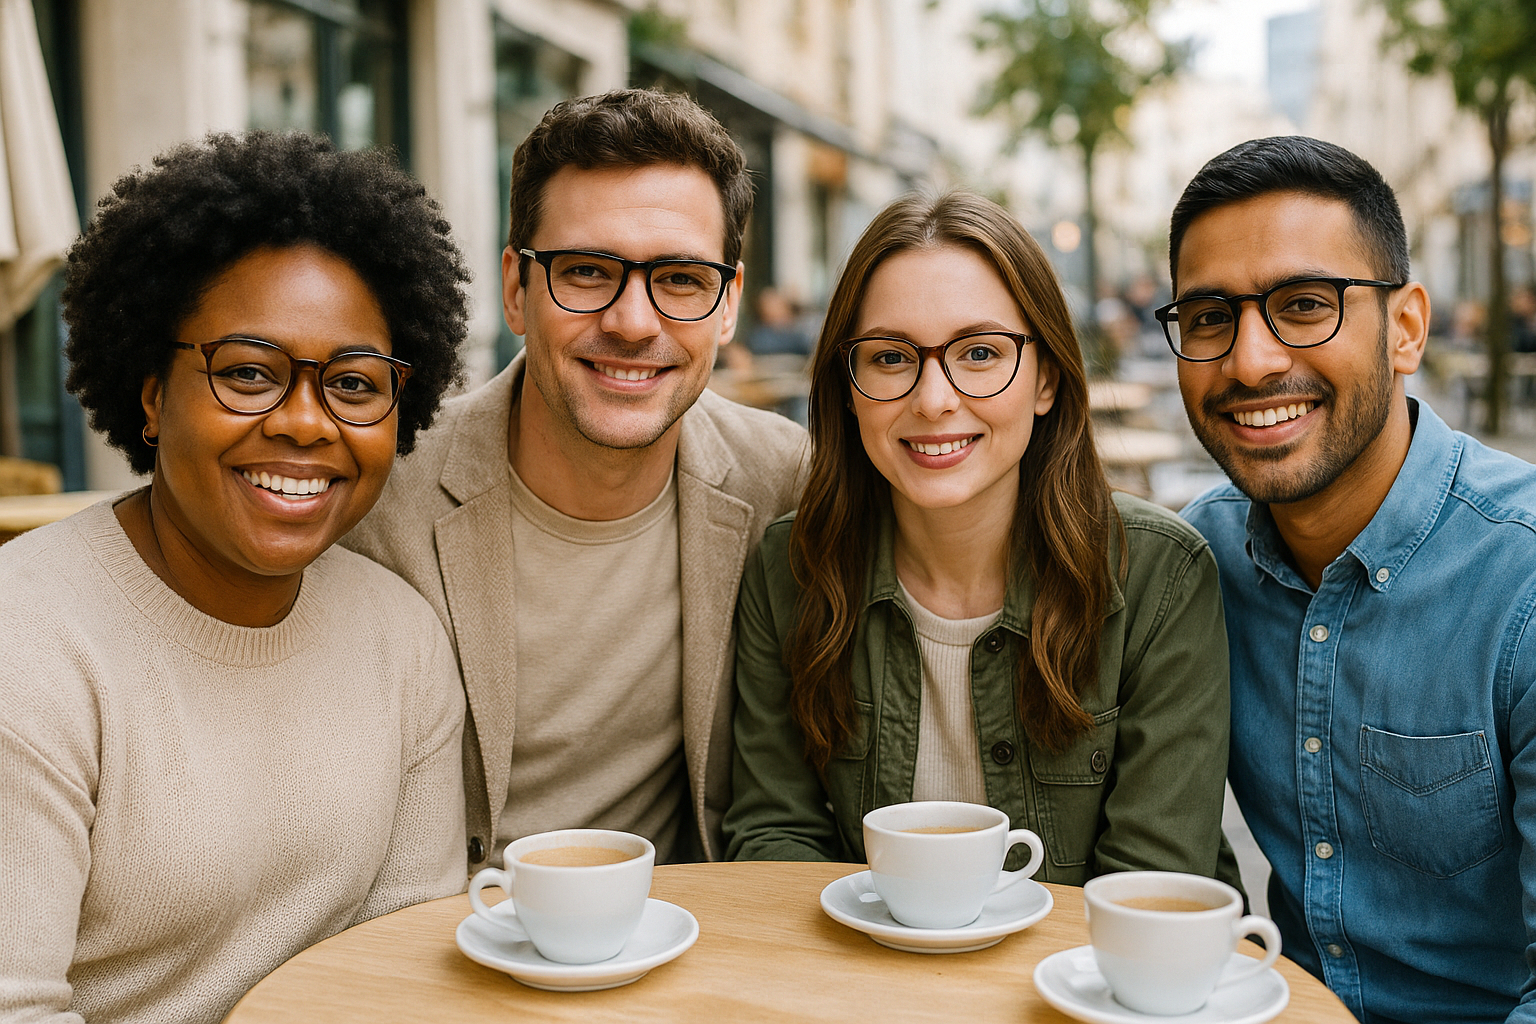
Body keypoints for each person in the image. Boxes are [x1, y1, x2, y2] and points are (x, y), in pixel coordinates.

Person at [0, 132, 471, 1024]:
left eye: (355, 384)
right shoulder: (25, 646)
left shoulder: (401, 638)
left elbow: (405, 965)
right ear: (150, 393)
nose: (305, 423)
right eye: (248, 373)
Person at [344, 89, 809, 870]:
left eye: (681, 280)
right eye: (587, 271)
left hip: (672, 950)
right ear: (516, 289)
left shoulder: (782, 481)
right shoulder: (381, 497)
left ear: (728, 305)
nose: (633, 321)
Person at [725, 190, 1239, 890]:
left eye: (979, 352)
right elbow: (773, 835)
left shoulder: (1160, 578)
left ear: (1046, 379)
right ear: (848, 387)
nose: (934, 399)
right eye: (889, 357)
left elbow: (1149, 891)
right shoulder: (792, 571)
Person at [1169, 136, 1534, 1024]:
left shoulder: (1521, 581)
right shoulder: (1192, 564)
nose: (1250, 362)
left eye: (1304, 305)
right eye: (1211, 317)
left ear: (1405, 328)